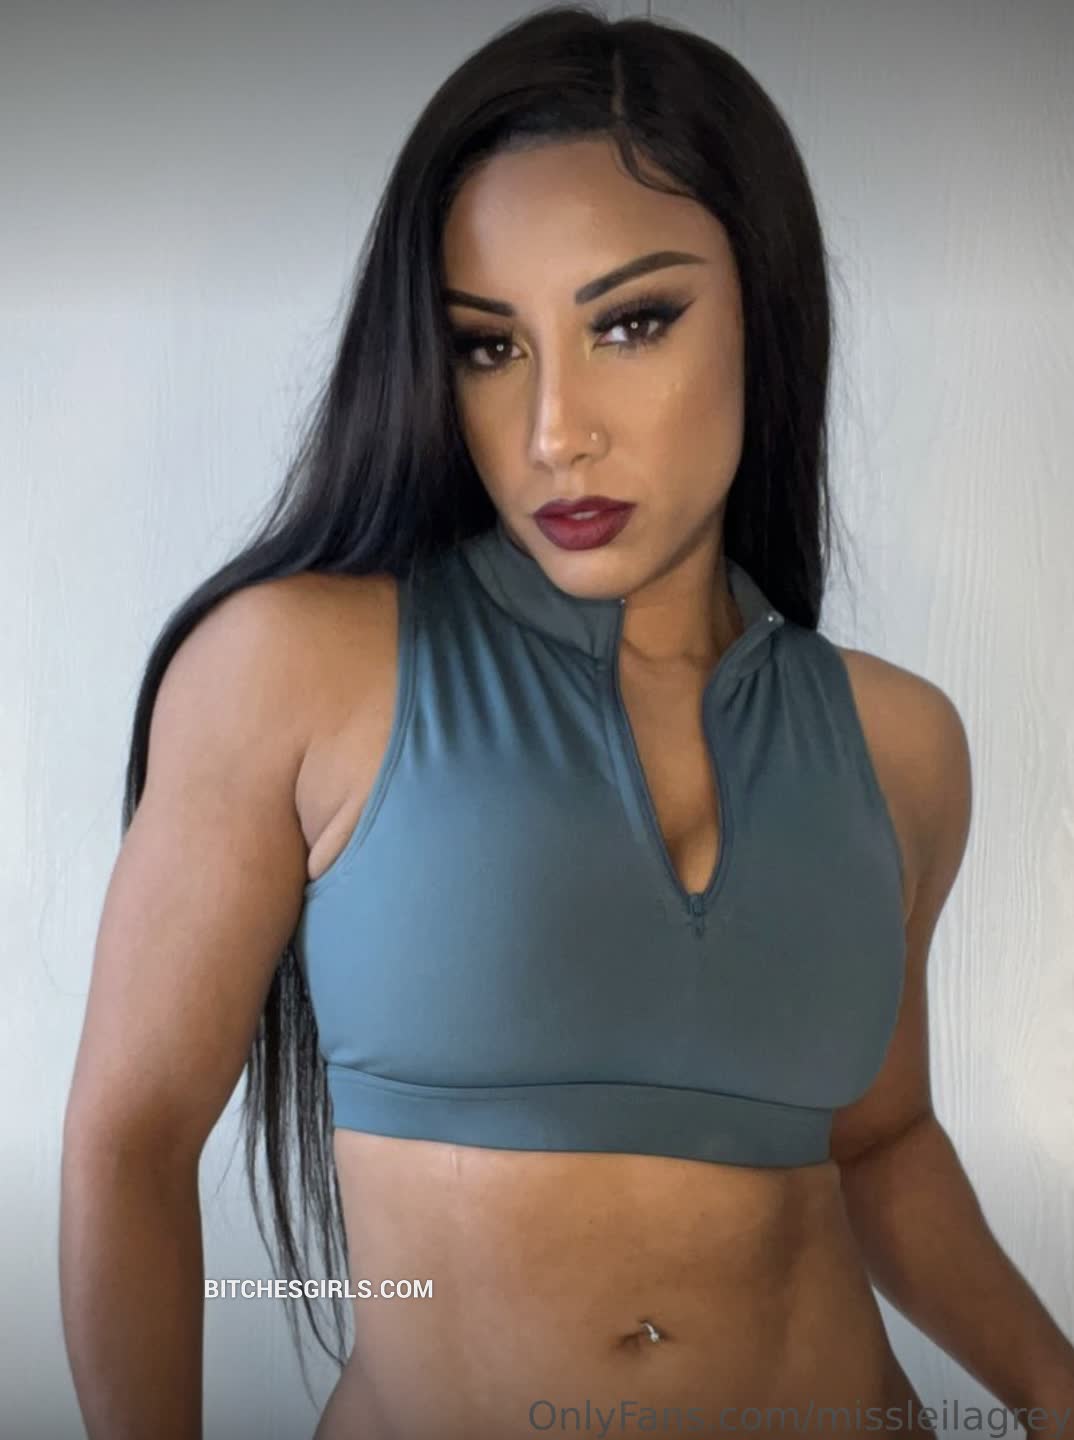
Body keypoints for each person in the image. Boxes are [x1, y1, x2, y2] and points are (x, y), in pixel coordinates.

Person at [59, 5, 1074, 1439]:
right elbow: (130, 1145)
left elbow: (881, 1139)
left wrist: (1051, 1386)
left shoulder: (900, 747)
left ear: (764, 315)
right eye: (488, 346)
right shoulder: (292, 672)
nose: (553, 432)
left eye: (631, 323)